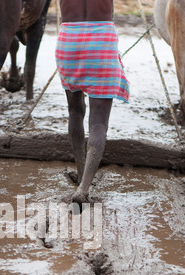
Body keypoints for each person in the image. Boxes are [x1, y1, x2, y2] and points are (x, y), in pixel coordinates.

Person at [56, 0, 130, 205]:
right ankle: (83, 189)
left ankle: (81, 173)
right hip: (101, 41)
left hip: (68, 40)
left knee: (75, 111)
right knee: (98, 123)